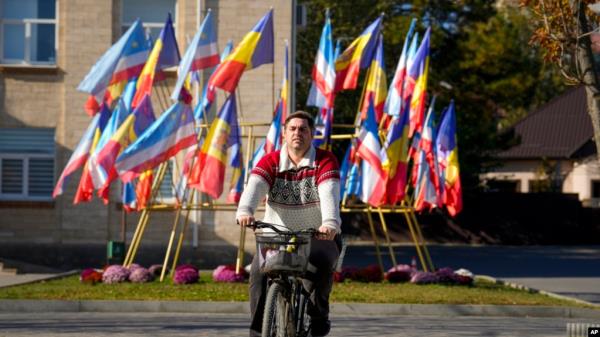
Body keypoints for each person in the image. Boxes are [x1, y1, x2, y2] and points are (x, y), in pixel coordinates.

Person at [236, 110, 341, 337]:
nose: (297, 133)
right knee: (257, 274)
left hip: (317, 235)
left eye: (303, 129)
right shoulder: (270, 161)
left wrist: (330, 223)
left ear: (312, 134)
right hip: (277, 236)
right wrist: (245, 211)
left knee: (321, 271)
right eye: (292, 129)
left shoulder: (324, 161)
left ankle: (318, 319)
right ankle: (258, 333)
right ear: (284, 133)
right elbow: (254, 188)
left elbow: (329, 193)